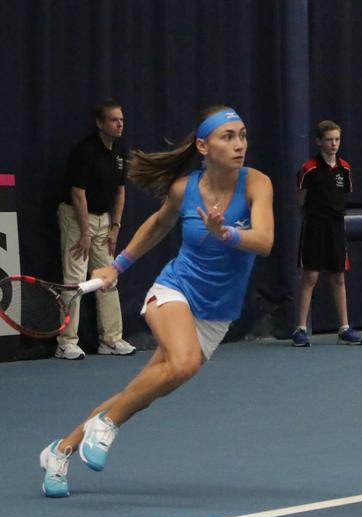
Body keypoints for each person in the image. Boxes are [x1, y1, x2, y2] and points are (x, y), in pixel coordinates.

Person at [39, 105, 274, 497]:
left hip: (216, 315)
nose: (240, 145)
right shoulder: (185, 189)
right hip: (175, 291)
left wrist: (226, 234)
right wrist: (116, 266)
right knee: (182, 363)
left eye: (243, 135)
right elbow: (159, 224)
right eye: (228, 136)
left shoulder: (257, 183)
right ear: (204, 146)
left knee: (141, 391)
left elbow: (264, 241)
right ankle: (107, 424)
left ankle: (59, 451)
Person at [55, 99, 136, 360]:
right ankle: (66, 343)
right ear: (100, 124)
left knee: (107, 278)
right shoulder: (85, 151)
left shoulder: (120, 153)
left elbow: (120, 192)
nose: (119, 124)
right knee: (75, 281)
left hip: (104, 221)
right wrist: (85, 233)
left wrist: (115, 227)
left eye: (121, 120)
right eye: (114, 120)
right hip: (77, 219)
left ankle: (110, 340)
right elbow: (77, 194)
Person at [291, 120, 362, 347]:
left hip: (336, 228)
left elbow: (344, 195)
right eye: (329, 140)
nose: (333, 144)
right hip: (314, 228)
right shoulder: (309, 169)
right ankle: (300, 329)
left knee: (338, 277)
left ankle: (344, 328)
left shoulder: (345, 168)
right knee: (310, 277)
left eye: (337, 139)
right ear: (318, 142)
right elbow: (301, 199)